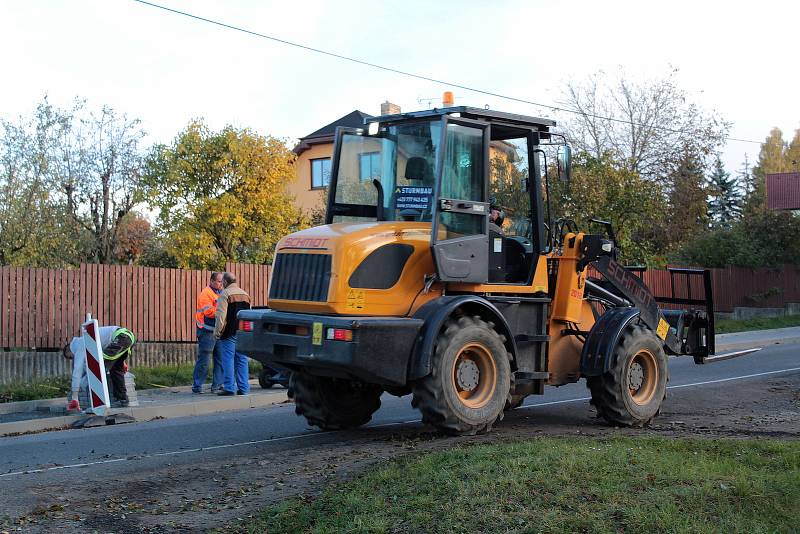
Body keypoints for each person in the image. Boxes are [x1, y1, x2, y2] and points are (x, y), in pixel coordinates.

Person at [63, 326, 136, 410]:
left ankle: (99, 405)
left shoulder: (80, 345)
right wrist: (121, 362)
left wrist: (75, 397)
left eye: (70, 357)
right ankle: (122, 400)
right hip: (127, 337)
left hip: (121, 338)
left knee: (99, 368)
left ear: (69, 350)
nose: (73, 359)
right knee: (115, 370)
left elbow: (77, 372)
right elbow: (109, 344)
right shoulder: (88, 341)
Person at [214, 272, 252, 396]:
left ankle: (229, 388)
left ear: (225, 282)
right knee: (242, 360)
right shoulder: (245, 295)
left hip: (229, 332)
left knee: (228, 360)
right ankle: (244, 388)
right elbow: (249, 315)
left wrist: (217, 332)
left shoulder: (224, 294)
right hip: (243, 333)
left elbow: (221, 316)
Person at [192, 272, 225, 394]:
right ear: (211, 281)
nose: (221, 284)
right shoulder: (206, 294)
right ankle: (197, 386)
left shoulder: (220, 292)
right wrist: (223, 311)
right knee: (204, 360)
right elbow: (209, 312)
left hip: (218, 331)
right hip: (206, 331)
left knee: (220, 359)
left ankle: (217, 385)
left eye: (222, 281)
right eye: (219, 281)